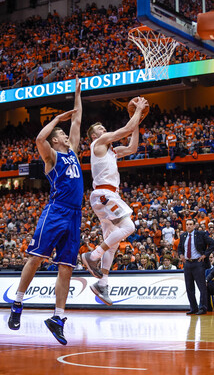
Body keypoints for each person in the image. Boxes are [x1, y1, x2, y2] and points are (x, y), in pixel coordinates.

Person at [8, 76, 83, 346]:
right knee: (37, 257)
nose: (67, 134)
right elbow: (40, 137)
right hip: (57, 210)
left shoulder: (72, 151)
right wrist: (57, 119)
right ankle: (17, 302)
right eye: (62, 134)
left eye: (64, 134)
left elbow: (77, 120)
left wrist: (77, 94)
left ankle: (57, 318)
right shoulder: (51, 156)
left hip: (75, 214)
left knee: (66, 268)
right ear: (57, 140)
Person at [82, 96, 149, 306]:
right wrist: (136, 111)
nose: (104, 130)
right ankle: (92, 256)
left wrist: (135, 120)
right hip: (105, 194)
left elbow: (132, 147)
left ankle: (102, 283)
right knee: (129, 226)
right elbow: (125, 131)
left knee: (113, 243)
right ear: (94, 135)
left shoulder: (110, 151)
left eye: (104, 129)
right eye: (101, 129)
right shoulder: (98, 142)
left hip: (105, 196)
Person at [178, 219, 214, 315]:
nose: (189, 226)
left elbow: (213, 243)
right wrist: (181, 255)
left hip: (198, 263)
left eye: (191, 224)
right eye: (187, 224)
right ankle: (193, 308)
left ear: (194, 225)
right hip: (187, 264)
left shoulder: (201, 234)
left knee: (201, 287)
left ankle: (203, 307)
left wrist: (205, 255)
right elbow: (179, 248)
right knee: (189, 287)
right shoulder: (183, 236)